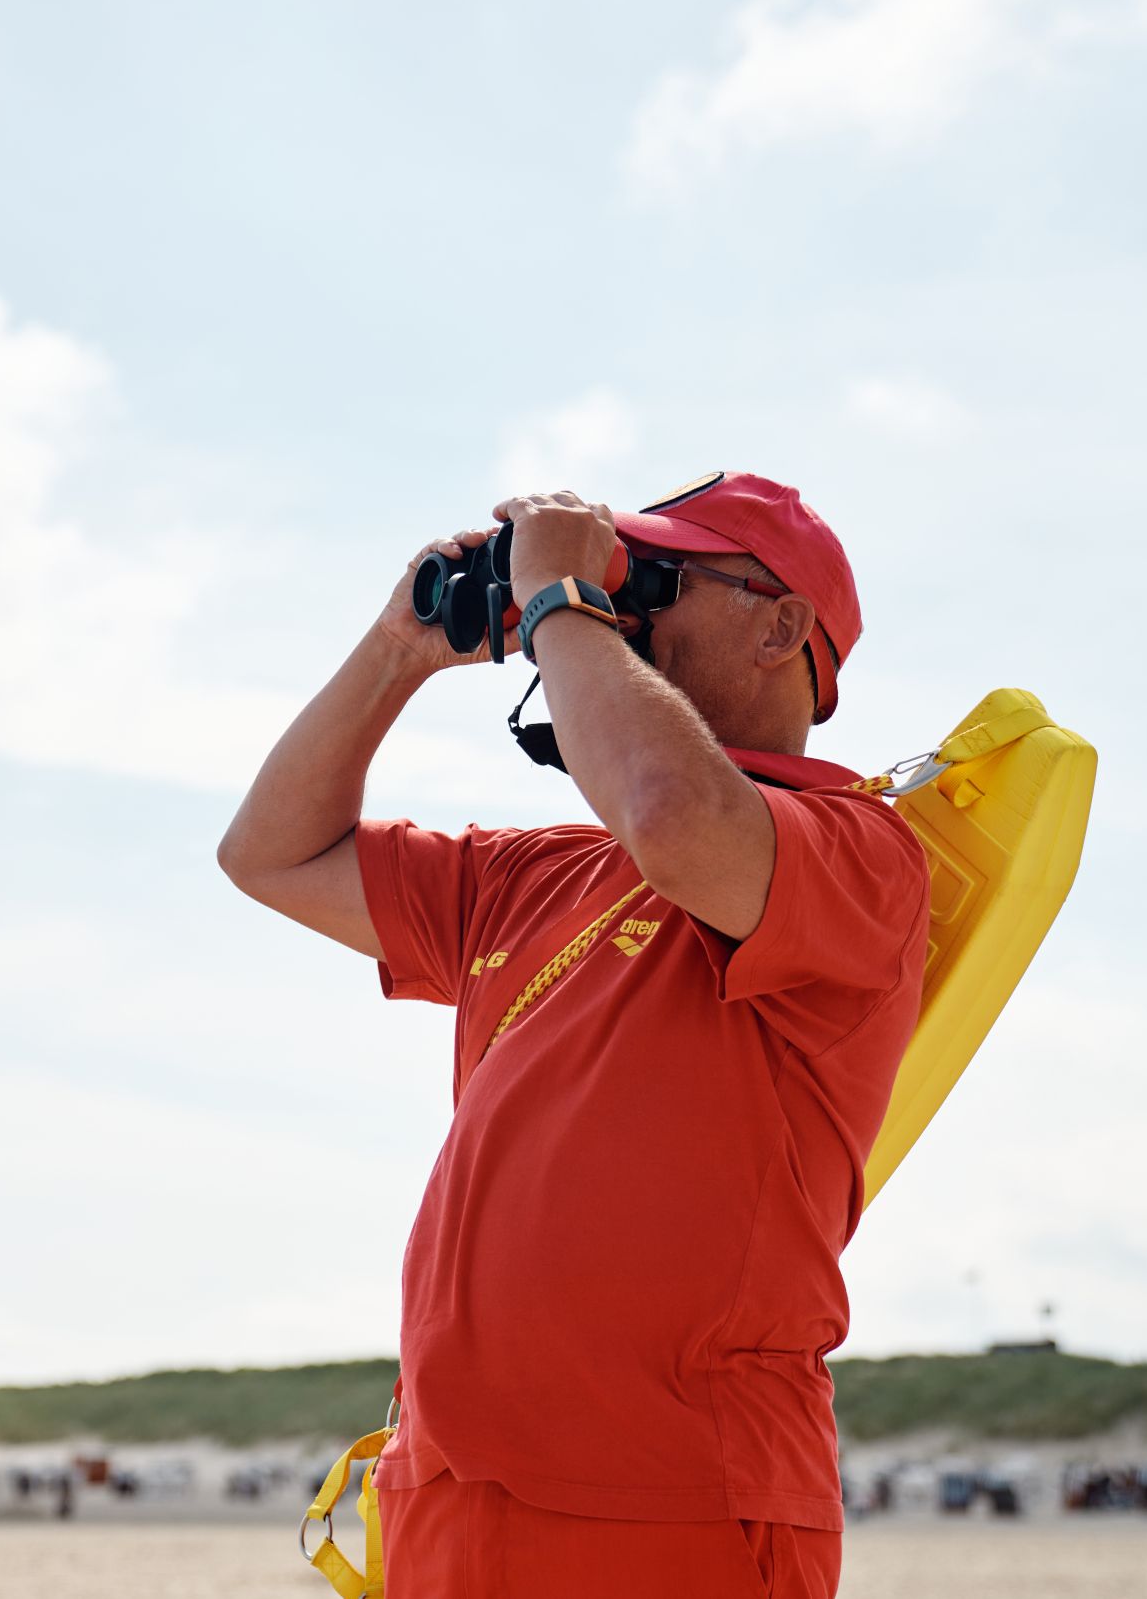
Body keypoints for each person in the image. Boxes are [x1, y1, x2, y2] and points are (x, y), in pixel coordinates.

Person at [218, 473, 928, 1599]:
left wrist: (558, 596)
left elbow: (676, 818)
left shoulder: (862, 856)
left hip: (674, 1497)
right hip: (453, 1494)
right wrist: (399, 649)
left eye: (653, 581)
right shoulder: (533, 875)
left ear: (783, 625)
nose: (620, 605)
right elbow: (270, 852)